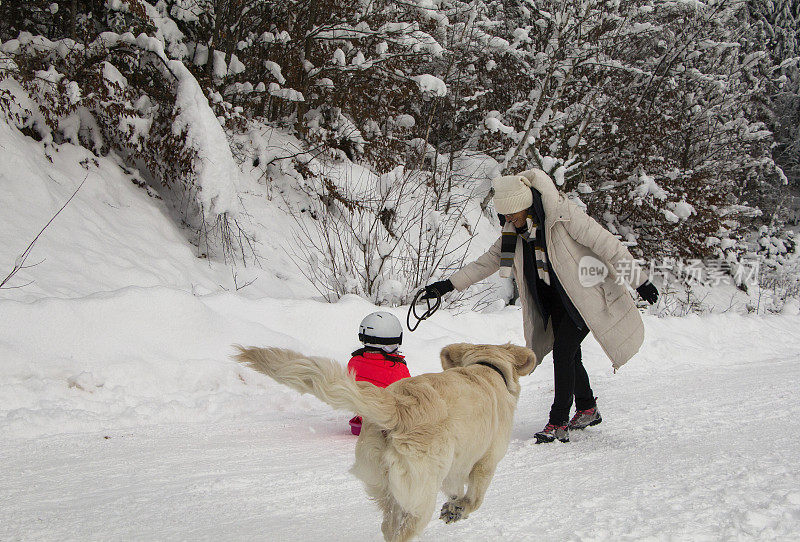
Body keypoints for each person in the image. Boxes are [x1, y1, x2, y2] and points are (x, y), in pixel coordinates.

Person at [423, 169, 658, 443]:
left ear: (527, 205)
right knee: (571, 355)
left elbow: (608, 246)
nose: (509, 221)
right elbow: (485, 263)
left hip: (585, 297)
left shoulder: (564, 217)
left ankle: (558, 422)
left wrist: (639, 281)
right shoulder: (514, 234)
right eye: (505, 216)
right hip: (555, 301)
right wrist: (447, 286)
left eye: (513, 214)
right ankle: (586, 407)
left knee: (563, 352)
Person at [347, 311, 411, 435]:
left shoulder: (353, 361)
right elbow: (408, 397)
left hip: (363, 419)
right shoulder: (397, 368)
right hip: (386, 422)